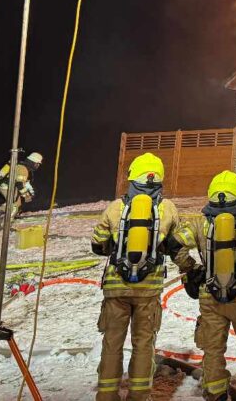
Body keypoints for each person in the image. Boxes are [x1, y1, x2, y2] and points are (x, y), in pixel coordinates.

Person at [171, 170, 236, 401]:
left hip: (210, 297)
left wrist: (191, 268)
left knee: (213, 350)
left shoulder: (198, 223)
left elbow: (173, 245)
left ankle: (216, 394)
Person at [90, 153, 181, 401]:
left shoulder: (115, 207)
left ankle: (107, 395)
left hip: (115, 288)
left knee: (112, 343)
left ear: (132, 176)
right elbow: (178, 246)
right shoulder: (168, 208)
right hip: (149, 290)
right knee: (143, 345)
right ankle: (139, 395)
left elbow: (97, 245)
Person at [0, 151, 42, 219]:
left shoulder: (23, 167)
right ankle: (6, 223)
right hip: (7, 186)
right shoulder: (23, 169)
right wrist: (26, 196)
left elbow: (25, 182)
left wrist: (29, 192)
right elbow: (19, 184)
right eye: (37, 164)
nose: (38, 166)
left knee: (17, 201)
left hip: (6, 185)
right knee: (16, 205)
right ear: (33, 162)